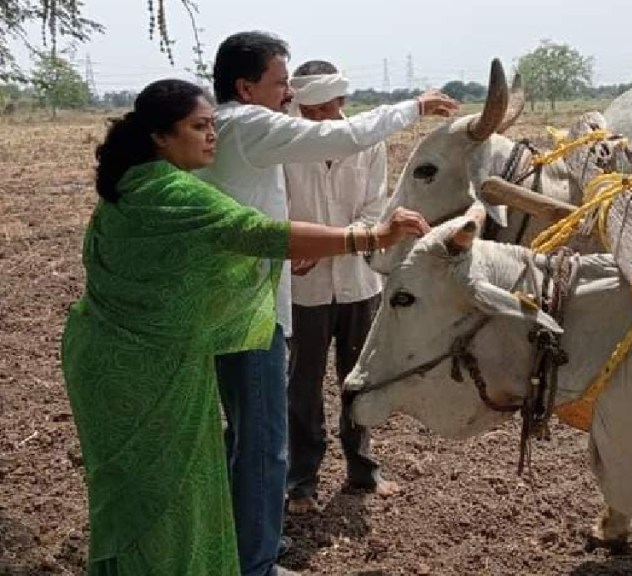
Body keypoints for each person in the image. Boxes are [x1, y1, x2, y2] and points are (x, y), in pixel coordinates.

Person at [62, 78, 429, 576]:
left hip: (108, 355)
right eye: (198, 126)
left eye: (213, 124)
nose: (213, 136)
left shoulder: (132, 184)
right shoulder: (173, 192)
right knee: (166, 490)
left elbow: (188, 262)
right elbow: (257, 234)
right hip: (144, 369)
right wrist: (374, 235)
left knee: (134, 492)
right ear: (159, 137)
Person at [195, 31, 458, 576]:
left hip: (291, 289)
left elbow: (370, 200)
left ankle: (241, 542)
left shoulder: (225, 130)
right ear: (248, 88)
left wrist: (344, 238)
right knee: (268, 432)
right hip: (267, 300)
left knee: (264, 423)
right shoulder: (261, 129)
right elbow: (338, 151)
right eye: (283, 85)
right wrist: (417, 105)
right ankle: (256, 560)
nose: (292, 96)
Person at [283, 60, 397, 515]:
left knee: (360, 380)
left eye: (320, 109)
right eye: (305, 109)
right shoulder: (285, 142)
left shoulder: (369, 142)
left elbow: (375, 214)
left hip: (358, 284)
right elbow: (277, 210)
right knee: (302, 386)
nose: (313, 118)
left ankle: (363, 470)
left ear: (341, 101)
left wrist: (322, 248)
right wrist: (293, 244)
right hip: (302, 288)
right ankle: (301, 482)